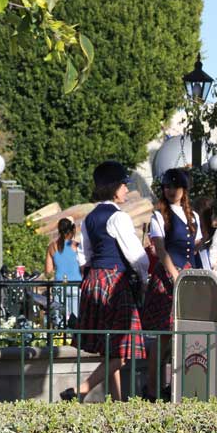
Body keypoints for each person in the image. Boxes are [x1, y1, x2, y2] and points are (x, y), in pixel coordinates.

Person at [62, 161, 148, 402]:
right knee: (122, 351)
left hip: (94, 281)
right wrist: (144, 280)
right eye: (123, 184)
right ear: (113, 187)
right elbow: (137, 256)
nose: (126, 190)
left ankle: (118, 403)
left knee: (111, 350)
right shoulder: (118, 218)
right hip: (115, 282)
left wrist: (93, 276)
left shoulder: (89, 219)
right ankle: (81, 390)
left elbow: (85, 255)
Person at [142, 168, 206, 400]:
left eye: (175, 186)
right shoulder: (159, 215)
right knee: (164, 336)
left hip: (189, 275)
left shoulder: (194, 216)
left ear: (184, 189)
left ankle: (177, 386)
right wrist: (174, 274)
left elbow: (196, 248)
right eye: (167, 187)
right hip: (168, 276)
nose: (170, 191)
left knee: (186, 333)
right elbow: (160, 249)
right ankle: (151, 388)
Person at [45, 217, 82, 323]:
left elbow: (48, 272)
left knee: (60, 323)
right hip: (76, 287)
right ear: (73, 230)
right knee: (76, 323)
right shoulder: (77, 246)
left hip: (59, 288)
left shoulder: (52, 247)